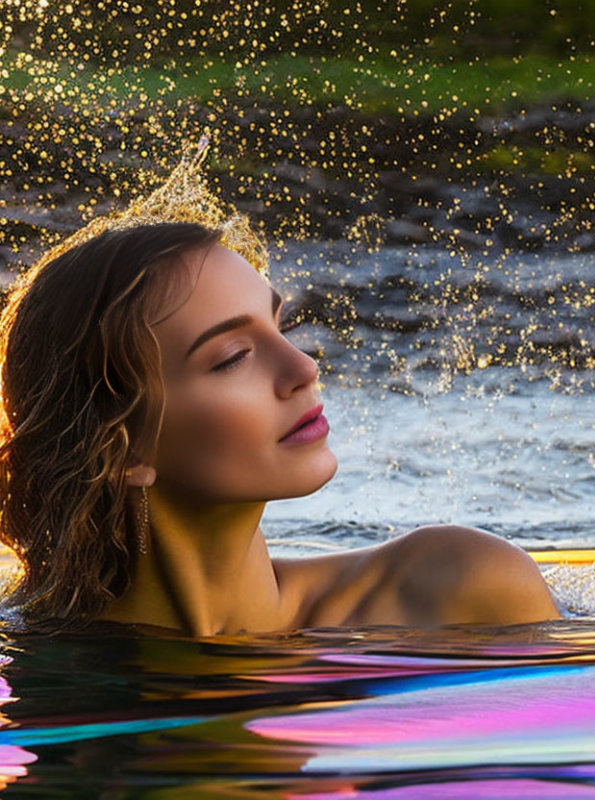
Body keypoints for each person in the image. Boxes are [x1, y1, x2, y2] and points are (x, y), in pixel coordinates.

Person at [0, 221, 558, 635]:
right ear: (121, 447)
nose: (304, 368)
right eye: (233, 357)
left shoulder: (458, 592)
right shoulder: (31, 648)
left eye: (280, 324)